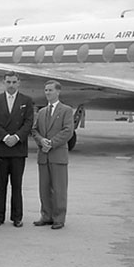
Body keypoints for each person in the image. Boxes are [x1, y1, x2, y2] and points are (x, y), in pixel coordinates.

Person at [0, 71, 34, 227]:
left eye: (14, 82)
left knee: (17, 184)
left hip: (18, 150)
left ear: (19, 83)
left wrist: (17, 137)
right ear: (4, 83)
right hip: (1, 148)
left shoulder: (26, 101)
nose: (11, 85)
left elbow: (28, 123)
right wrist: (6, 137)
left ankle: (17, 217)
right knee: (0, 185)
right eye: (8, 82)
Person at [31, 80, 74, 230]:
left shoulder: (66, 110)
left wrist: (51, 143)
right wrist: (41, 141)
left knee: (59, 189)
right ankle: (46, 216)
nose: (47, 93)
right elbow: (34, 130)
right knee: (44, 188)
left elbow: (68, 130)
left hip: (58, 155)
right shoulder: (42, 112)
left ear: (58, 92)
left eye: (50, 90)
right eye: (46, 90)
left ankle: (59, 218)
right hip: (43, 155)